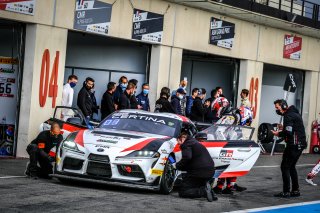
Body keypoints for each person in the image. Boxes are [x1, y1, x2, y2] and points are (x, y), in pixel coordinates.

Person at [271, 99, 307, 198]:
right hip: (300, 144)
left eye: (277, 107)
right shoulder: (294, 113)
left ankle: (286, 191)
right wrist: (284, 127)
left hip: (294, 144)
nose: (277, 110)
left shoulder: (288, 115)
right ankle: (295, 190)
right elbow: (292, 128)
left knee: (285, 167)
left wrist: (278, 133)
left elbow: (288, 132)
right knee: (291, 167)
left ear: (283, 106)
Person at [176, 132, 217, 202]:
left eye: (178, 141)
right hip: (210, 172)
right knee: (193, 186)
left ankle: (203, 191)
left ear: (182, 139)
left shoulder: (186, 144)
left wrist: (178, 165)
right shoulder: (196, 143)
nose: (178, 144)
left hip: (198, 173)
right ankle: (210, 192)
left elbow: (187, 157)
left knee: (183, 192)